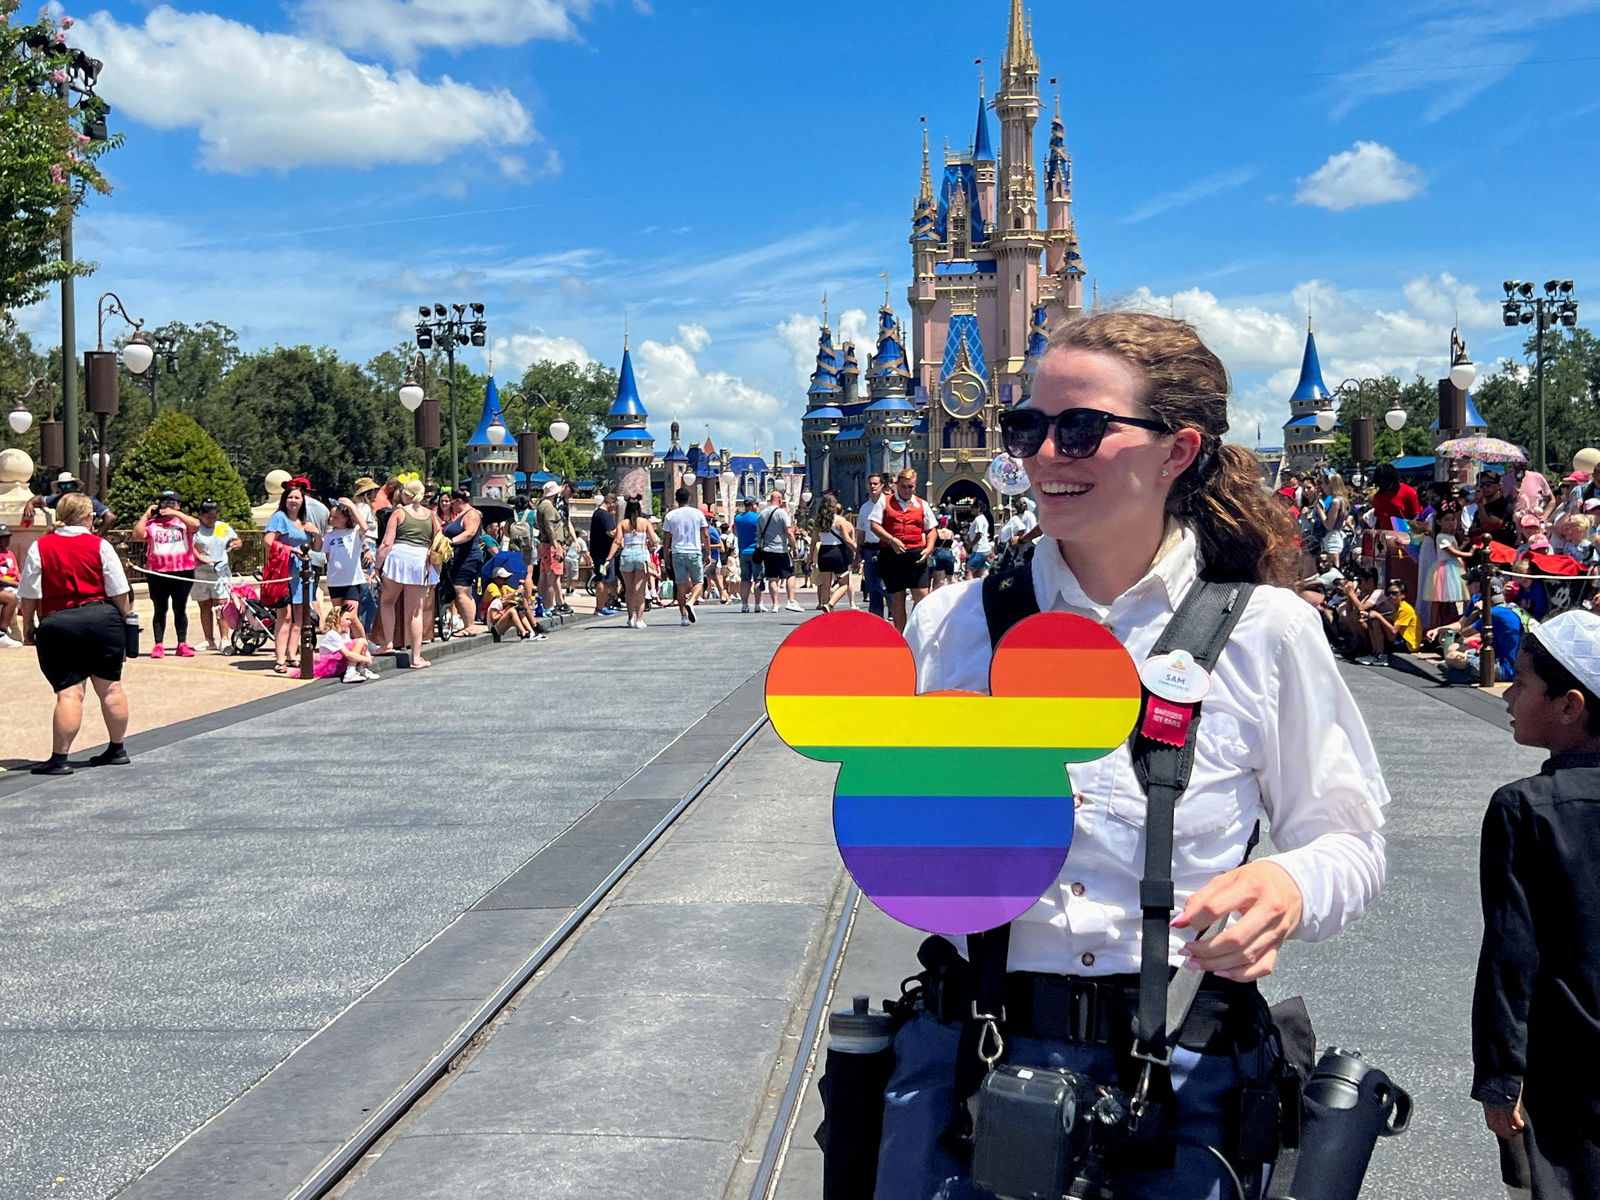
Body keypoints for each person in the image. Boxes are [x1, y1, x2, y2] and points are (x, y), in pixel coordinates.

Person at [871, 312, 1388, 1200]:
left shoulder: (1266, 632)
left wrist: (1291, 887)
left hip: (1183, 1075)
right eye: (1026, 428)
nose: (1043, 457)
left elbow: (1349, 840)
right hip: (975, 1062)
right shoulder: (952, 624)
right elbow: (902, 835)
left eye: (1080, 429)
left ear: (1177, 450)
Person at [1473, 609, 1600, 1198]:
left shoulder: (1525, 807)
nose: (1507, 696)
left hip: (1565, 1066)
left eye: (1521, 683)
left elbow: (1511, 951)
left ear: (1571, 705)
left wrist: (1501, 1076)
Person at [17, 492, 133, 775]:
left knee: (69, 692)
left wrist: (30, 624)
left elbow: (30, 592)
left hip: (59, 620)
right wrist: (125, 620)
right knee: (111, 686)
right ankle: (117, 748)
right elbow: (118, 590)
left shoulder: (41, 546)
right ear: (86, 516)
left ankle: (60, 758)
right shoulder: (99, 545)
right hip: (101, 617)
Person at [375, 477, 441, 669]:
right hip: (421, 560)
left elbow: (387, 543)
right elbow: (438, 544)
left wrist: (377, 566)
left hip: (399, 557)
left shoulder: (398, 513)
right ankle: (416, 657)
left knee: (387, 601)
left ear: (404, 493)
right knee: (416, 612)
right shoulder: (431, 516)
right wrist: (436, 570)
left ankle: (387, 643)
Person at [132, 490, 200, 659]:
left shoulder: (183, 523)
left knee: (180, 608)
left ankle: (182, 643)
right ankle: (158, 644)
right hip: (158, 572)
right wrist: (147, 515)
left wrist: (176, 513)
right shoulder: (153, 524)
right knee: (159, 609)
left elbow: (196, 525)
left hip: (182, 571)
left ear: (178, 505)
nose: (167, 506)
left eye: (172, 503)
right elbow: (138, 535)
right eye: (164, 503)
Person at [263, 484, 321, 675]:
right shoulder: (279, 518)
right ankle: (280, 659)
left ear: (303, 500)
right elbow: (268, 541)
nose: (293, 501)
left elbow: (318, 547)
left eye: (297, 498)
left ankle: (292, 654)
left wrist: (317, 533)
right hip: (284, 571)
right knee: (284, 616)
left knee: (300, 616)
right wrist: (289, 550)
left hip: (303, 572)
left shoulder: (305, 521)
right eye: (290, 497)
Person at [871, 467, 936, 633]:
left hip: (916, 555)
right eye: (904, 486)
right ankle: (901, 636)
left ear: (915, 486)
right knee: (897, 598)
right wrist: (891, 539)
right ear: (897, 485)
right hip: (891, 555)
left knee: (922, 598)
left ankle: (916, 632)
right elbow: (874, 525)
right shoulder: (884, 501)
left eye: (910, 487)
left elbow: (931, 530)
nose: (907, 490)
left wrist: (929, 548)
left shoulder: (922, 504)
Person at [191, 500, 241, 652]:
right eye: (208, 517)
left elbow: (237, 540)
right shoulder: (195, 528)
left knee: (221, 605)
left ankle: (224, 638)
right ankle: (209, 639)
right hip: (200, 572)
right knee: (204, 606)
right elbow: (191, 546)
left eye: (214, 516)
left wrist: (236, 544)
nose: (211, 520)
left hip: (220, 571)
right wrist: (200, 558)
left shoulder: (222, 527)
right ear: (201, 515)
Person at [661, 486, 710, 626]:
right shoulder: (697, 513)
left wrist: (666, 555)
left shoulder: (670, 516)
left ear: (676, 499)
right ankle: (691, 601)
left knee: (680, 585)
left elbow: (666, 538)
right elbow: (705, 535)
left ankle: (683, 616)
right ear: (689, 498)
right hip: (694, 551)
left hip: (677, 552)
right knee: (699, 582)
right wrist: (708, 552)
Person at [441, 488, 485, 635]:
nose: (450, 506)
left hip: (469, 557)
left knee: (462, 590)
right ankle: (468, 624)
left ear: (459, 501)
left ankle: (469, 626)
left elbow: (469, 533)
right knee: (462, 591)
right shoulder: (458, 515)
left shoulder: (471, 514)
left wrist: (450, 542)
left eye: (452, 503)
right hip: (458, 557)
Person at [322, 497, 370, 631]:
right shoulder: (329, 536)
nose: (331, 520)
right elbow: (328, 556)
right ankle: (344, 643)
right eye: (330, 517)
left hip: (351, 581)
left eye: (336, 517)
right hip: (335, 581)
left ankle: (362, 642)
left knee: (351, 616)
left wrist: (352, 507)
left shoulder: (354, 533)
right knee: (339, 616)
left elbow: (364, 527)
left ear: (345, 518)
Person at [22, 470, 115, 533]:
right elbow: (38, 499)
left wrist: (99, 534)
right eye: (62, 486)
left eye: (69, 485)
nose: (66, 488)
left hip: (82, 538)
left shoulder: (87, 500)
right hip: (61, 538)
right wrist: (29, 504)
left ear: (75, 485)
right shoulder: (56, 499)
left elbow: (110, 516)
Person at [808, 493, 856, 612]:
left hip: (823, 553)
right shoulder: (840, 520)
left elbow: (814, 541)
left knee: (826, 584)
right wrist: (857, 550)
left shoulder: (818, 521)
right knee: (844, 584)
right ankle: (830, 604)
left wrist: (809, 558)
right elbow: (847, 539)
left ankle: (826, 611)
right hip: (837, 552)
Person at [615, 495, 658, 628]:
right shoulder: (645, 522)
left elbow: (617, 541)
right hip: (641, 553)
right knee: (639, 589)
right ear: (639, 508)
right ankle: (639, 619)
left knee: (629, 589)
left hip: (627, 553)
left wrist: (609, 557)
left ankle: (630, 618)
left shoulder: (622, 523)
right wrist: (652, 544)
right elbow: (654, 539)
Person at [1356, 577, 1419, 666]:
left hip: (1407, 645)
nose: (1391, 596)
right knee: (1373, 621)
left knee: (1377, 621)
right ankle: (1375, 653)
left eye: (1395, 593)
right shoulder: (1396, 608)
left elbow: (1393, 631)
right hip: (1399, 639)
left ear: (1403, 595)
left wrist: (1378, 616)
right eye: (1388, 593)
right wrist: (1370, 616)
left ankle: (1381, 655)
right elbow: (1391, 619)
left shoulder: (1405, 609)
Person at [756, 490, 801, 613]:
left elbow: (759, 533)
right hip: (780, 549)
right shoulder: (781, 513)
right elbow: (788, 531)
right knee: (790, 574)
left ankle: (775, 604)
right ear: (779, 499)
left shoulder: (762, 513)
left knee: (772, 578)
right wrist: (794, 547)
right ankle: (791, 601)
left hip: (767, 550)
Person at [312, 607, 377, 684]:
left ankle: (359, 669)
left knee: (361, 642)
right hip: (332, 666)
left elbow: (356, 649)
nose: (350, 622)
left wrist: (367, 655)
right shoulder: (332, 634)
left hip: (341, 663)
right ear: (338, 619)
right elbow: (348, 654)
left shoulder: (344, 634)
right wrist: (365, 659)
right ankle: (350, 673)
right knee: (360, 641)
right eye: (347, 619)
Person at [855, 473, 887, 617]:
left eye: (876, 484)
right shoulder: (864, 508)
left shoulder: (888, 504)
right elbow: (861, 533)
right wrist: (857, 554)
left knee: (887, 585)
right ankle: (876, 617)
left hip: (886, 549)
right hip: (869, 549)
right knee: (872, 586)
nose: (873, 486)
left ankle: (894, 613)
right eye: (870, 484)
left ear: (882, 486)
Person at [535, 480, 567, 616]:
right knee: (552, 576)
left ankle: (542, 604)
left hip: (544, 543)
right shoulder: (549, 508)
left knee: (544, 575)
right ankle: (549, 605)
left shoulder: (541, 506)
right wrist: (556, 545)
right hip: (551, 544)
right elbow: (550, 527)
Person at [483, 566, 536, 642]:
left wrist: (526, 587)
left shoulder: (504, 587)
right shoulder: (492, 587)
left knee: (519, 606)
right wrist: (506, 609)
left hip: (501, 616)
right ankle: (524, 632)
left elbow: (517, 592)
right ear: (496, 578)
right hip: (490, 621)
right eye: (503, 578)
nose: (506, 580)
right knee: (512, 611)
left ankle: (531, 630)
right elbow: (499, 600)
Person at [590, 492, 620, 617]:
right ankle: (600, 606)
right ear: (611, 503)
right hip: (603, 553)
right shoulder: (604, 515)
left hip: (597, 550)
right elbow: (611, 532)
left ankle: (602, 605)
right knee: (602, 579)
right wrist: (621, 531)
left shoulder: (597, 513)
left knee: (604, 578)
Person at [735, 496, 762, 612]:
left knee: (745, 579)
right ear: (752, 505)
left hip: (743, 551)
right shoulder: (758, 518)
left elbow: (736, 532)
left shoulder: (738, 518)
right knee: (758, 578)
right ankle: (757, 604)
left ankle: (744, 604)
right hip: (755, 551)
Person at [0, 524, 23, 648]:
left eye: (8, 536)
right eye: (4, 537)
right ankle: (1, 633)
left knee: (34, 596)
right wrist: (14, 584)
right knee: (12, 598)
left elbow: (17, 572)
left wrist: (23, 583)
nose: (7, 539)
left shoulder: (10, 554)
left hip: (15, 587)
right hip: (4, 587)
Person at [964, 505, 993, 579]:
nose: (971, 509)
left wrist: (971, 544)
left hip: (980, 549)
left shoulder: (978, 519)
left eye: (973, 507)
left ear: (978, 508)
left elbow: (979, 533)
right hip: (983, 549)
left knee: (969, 569)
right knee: (979, 572)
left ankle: (969, 589)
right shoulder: (983, 518)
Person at [929, 515, 958, 589]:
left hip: (939, 554)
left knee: (939, 580)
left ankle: (936, 594)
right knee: (950, 578)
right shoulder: (951, 532)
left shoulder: (937, 532)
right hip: (949, 554)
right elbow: (952, 541)